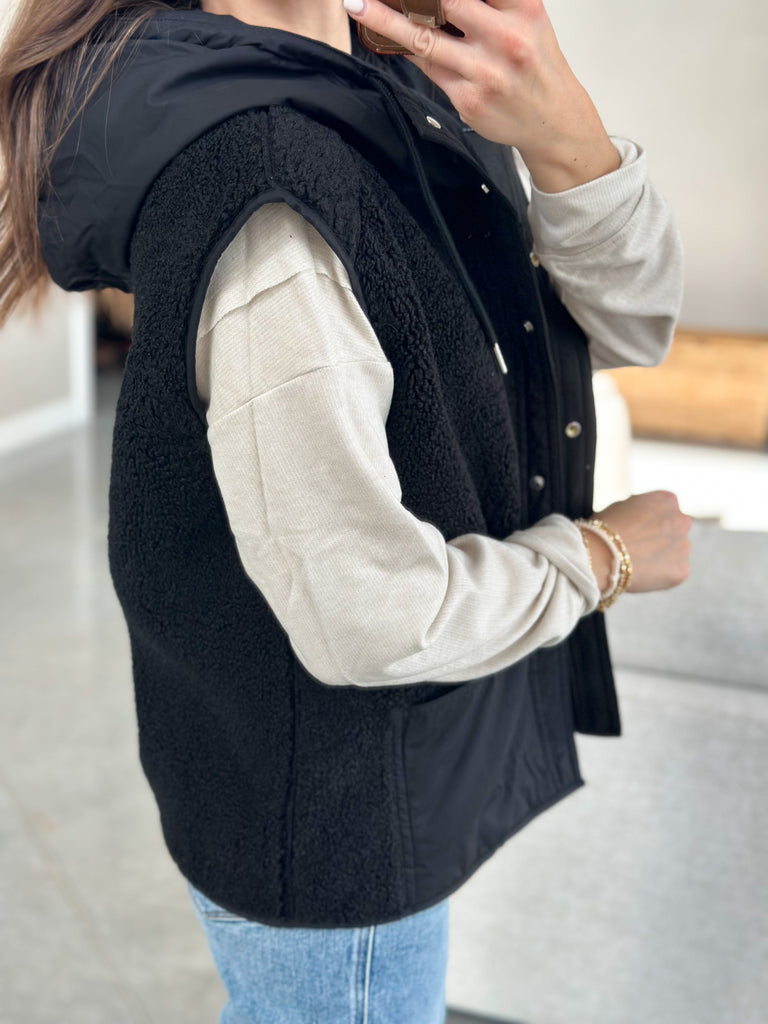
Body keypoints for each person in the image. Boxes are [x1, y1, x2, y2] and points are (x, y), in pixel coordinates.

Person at [0, 0, 693, 1020]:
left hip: (345, 768)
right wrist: (601, 556)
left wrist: (568, 140)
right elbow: (367, 615)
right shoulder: (262, 176)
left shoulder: (404, 91)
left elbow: (631, 326)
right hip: (330, 809)